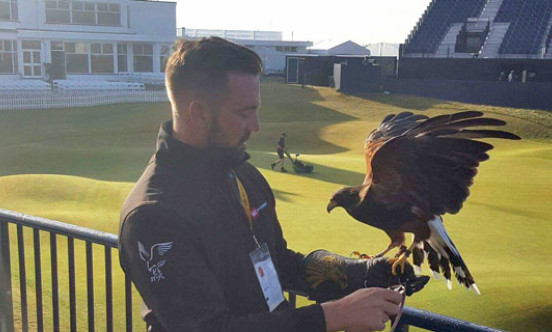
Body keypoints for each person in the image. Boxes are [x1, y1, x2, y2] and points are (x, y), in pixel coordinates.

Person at [118, 37, 426, 332]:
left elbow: (276, 261)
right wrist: (332, 316)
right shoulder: (153, 216)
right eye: (244, 113)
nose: (256, 126)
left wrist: (364, 272)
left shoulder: (243, 174)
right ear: (198, 112)